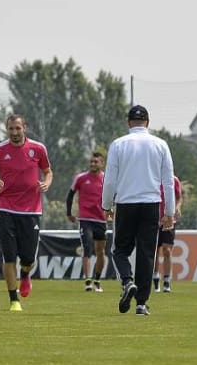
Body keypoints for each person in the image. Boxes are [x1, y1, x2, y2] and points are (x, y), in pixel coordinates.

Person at [102, 105, 175, 317]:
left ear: (128, 123)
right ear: (148, 123)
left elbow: (110, 180)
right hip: (151, 204)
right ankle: (141, 304)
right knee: (146, 254)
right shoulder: (160, 144)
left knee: (119, 250)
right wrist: (169, 212)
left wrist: (106, 205)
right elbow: (168, 182)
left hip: (126, 203)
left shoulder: (118, 144)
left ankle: (127, 281)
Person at [0, 114, 53, 312]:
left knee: (28, 257)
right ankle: (14, 300)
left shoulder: (38, 149)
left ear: (24, 128)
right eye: (10, 129)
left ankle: (26, 274)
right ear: (6, 129)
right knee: (9, 256)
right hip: (6, 209)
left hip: (31, 210)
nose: (14, 132)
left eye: (17, 128)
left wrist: (46, 183)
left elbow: (48, 171)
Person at [66, 152, 107, 293]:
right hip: (85, 219)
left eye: (96, 162)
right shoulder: (81, 178)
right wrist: (69, 213)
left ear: (102, 164)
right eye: (91, 162)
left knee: (101, 251)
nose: (93, 164)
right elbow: (70, 195)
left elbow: (113, 196)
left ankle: (97, 279)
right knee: (87, 248)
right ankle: (88, 281)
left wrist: (111, 211)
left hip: (101, 220)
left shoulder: (106, 179)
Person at [153, 174, 182, 293]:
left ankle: (166, 280)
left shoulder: (173, 179)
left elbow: (179, 197)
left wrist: (178, 207)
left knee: (167, 250)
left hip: (169, 219)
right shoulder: (152, 177)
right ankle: (155, 276)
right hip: (153, 220)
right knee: (154, 251)